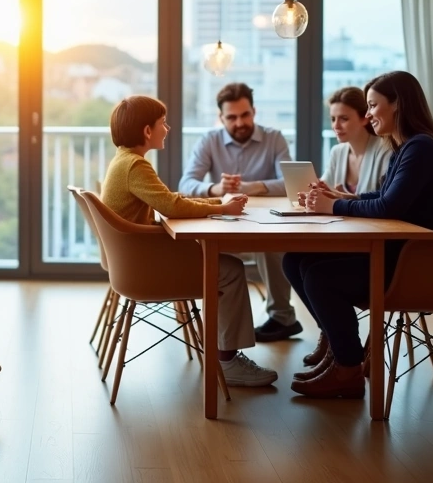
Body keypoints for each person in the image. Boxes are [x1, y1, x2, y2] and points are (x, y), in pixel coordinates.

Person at [284, 71, 433, 399]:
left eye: (372, 105)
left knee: (320, 277)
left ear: (398, 104)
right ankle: (340, 350)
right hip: (408, 255)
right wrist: (342, 197)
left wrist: (333, 206)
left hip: (422, 267)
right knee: (296, 260)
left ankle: (348, 369)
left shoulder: (420, 148)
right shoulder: (408, 147)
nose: (368, 114)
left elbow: (388, 207)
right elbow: (383, 197)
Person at [101, 95, 278, 387]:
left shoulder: (123, 160)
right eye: (163, 123)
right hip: (142, 270)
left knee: (224, 266)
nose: (167, 128)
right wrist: (223, 209)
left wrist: (218, 202)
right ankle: (228, 362)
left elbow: (171, 200)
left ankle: (227, 357)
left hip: (130, 264)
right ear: (147, 130)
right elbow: (172, 207)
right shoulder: (135, 166)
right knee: (231, 271)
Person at [179, 82, 299, 343]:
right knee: (217, 258)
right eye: (231, 117)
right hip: (224, 226)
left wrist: (254, 187)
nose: (240, 122)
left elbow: (291, 183)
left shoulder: (274, 137)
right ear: (221, 118)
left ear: (254, 112)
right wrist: (216, 188)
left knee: (275, 245)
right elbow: (185, 184)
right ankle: (222, 333)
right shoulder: (209, 141)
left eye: (245, 115)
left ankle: (283, 318)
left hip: (265, 226)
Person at [299, 86, 394, 369]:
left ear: (364, 118)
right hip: (346, 237)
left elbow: (382, 203)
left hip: (375, 243)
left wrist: (336, 200)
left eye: (343, 118)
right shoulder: (338, 152)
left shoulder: (386, 151)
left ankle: (344, 356)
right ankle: (331, 335)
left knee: (317, 275)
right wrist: (316, 194)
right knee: (293, 261)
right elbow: (328, 190)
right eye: (332, 119)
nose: (336, 126)